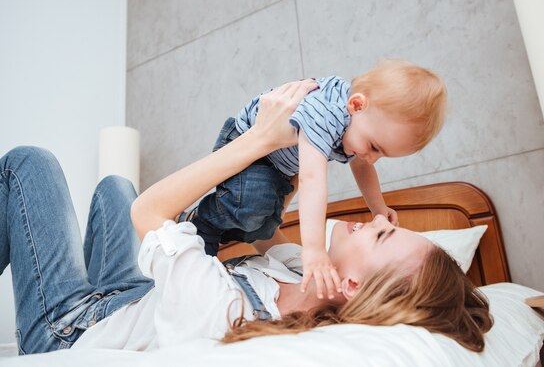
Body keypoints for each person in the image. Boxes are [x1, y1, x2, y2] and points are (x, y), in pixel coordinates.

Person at [0, 80, 490, 356]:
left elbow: (147, 213)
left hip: (73, 332)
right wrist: (296, 151)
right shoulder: (305, 273)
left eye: (383, 237)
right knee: (113, 185)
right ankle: (97, 289)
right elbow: (267, 224)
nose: (379, 219)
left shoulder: (231, 313)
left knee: (30, 163)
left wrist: (258, 139)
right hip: (136, 295)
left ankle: (58, 316)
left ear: (354, 287)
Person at [186, 59, 448, 299]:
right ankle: (201, 224)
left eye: (383, 154)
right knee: (253, 204)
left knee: (263, 225)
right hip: (247, 145)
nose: (372, 157)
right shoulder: (327, 114)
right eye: (374, 146)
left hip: (276, 164)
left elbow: (363, 167)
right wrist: (313, 249)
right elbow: (312, 179)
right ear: (356, 105)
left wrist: (378, 207)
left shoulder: (357, 123)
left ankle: (226, 221)